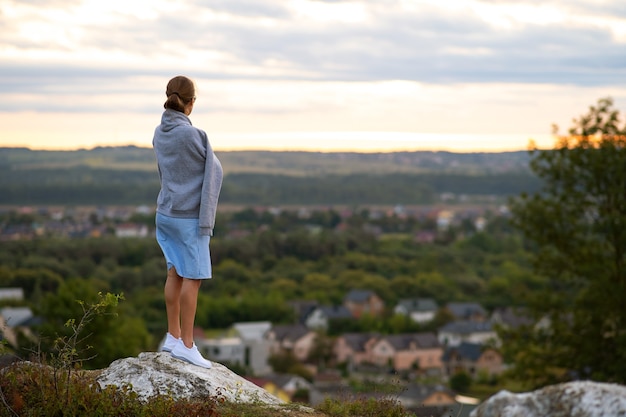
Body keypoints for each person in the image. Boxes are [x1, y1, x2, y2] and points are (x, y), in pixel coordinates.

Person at [152, 75, 223, 368]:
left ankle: (172, 336)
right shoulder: (194, 135)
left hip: (165, 213)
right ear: (191, 102)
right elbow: (213, 170)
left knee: (173, 273)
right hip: (188, 218)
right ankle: (188, 345)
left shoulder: (159, 132)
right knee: (192, 278)